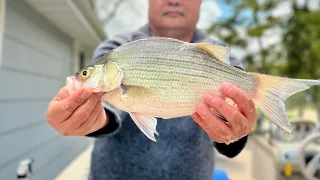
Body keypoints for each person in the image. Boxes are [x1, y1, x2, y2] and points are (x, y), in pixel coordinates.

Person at [46, 0, 258, 180]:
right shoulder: (117, 48)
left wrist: (235, 132)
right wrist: (90, 119)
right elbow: (109, 110)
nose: (174, 0)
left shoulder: (222, 59)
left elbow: (234, 129)